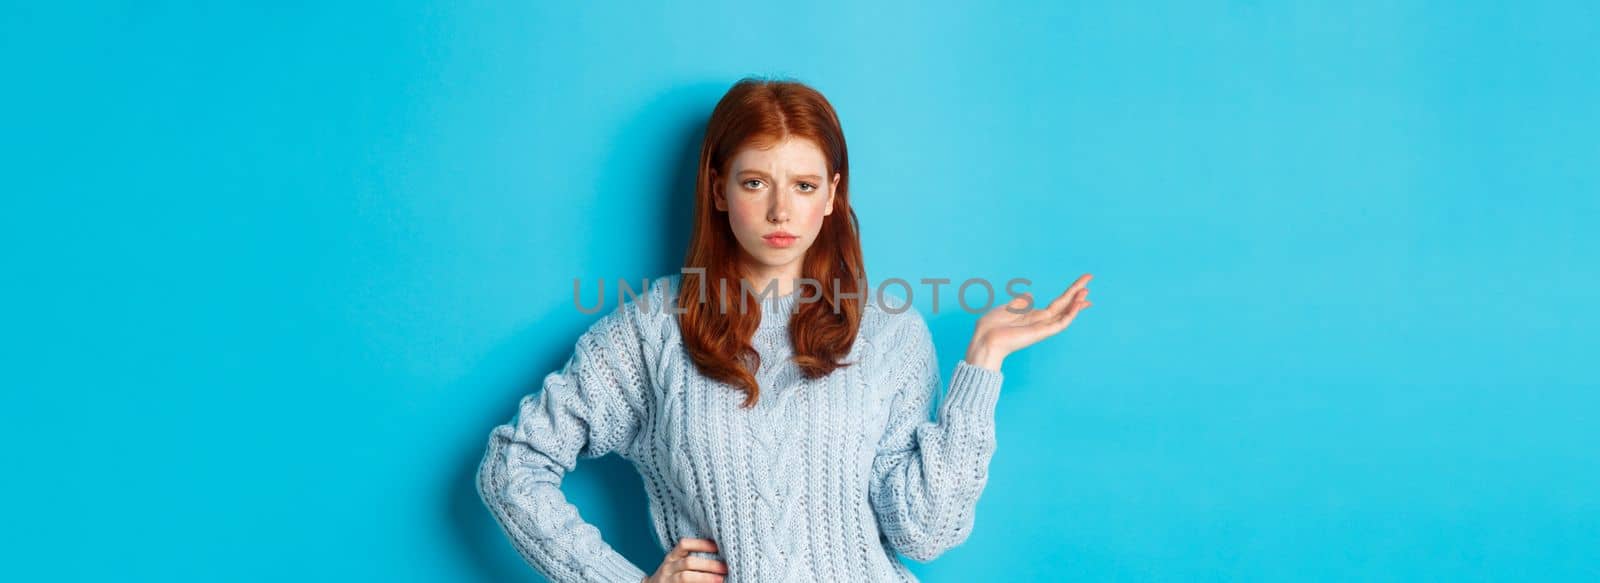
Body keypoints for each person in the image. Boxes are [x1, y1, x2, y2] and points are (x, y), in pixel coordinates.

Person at [475, 77, 1093, 583]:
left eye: (803, 185)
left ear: (832, 195)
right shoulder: (651, 330)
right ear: (718, 190)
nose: (780, 211)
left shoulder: (889, 332)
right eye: (754, 183)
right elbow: (514, 464)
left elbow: (924, 533)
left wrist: (983, 363)